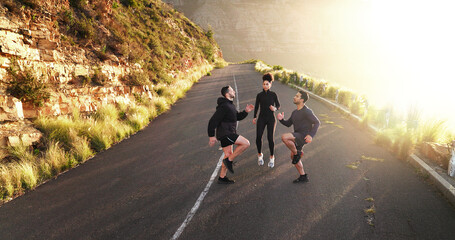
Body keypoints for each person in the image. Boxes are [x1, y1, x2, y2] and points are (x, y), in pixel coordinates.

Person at [208, 86, 254, 184]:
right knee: (246, 143)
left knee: (228, 154)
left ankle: (222, 177)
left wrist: (246, 111)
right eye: (232, 90)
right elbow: (213, 120)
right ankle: (229, 161)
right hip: (226, 133)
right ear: (227, 94)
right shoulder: (224, 106)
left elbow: (237, 117)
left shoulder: (230, 105)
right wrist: (211, 135)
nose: (234, 92)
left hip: (228, 133)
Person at [277, 90, 320, 183]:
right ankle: (303, 176)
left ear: (302, 99)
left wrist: (311, 135)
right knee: (293, 158)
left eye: (297, 96)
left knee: (284, 137)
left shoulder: (307, 111)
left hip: (303, 136)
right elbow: (288, 123)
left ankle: (297, 153)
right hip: (297, 135)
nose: (294, 97)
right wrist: (281, 120)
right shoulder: (295, 112)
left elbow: (317, 122)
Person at [253, 73, 280, 168]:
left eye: (267, 84)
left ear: (270, 84)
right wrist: (254, 117)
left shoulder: (273, 95)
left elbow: (278, 105)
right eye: (264, 84)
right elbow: (256, 106)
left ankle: (272, 158)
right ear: (262, 84)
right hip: (261, 118)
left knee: (270, 138)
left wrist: (275, 109)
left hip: (271, 119)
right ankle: (260, 155)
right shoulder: (259, 95)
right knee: (258, 137)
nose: (265, 85)